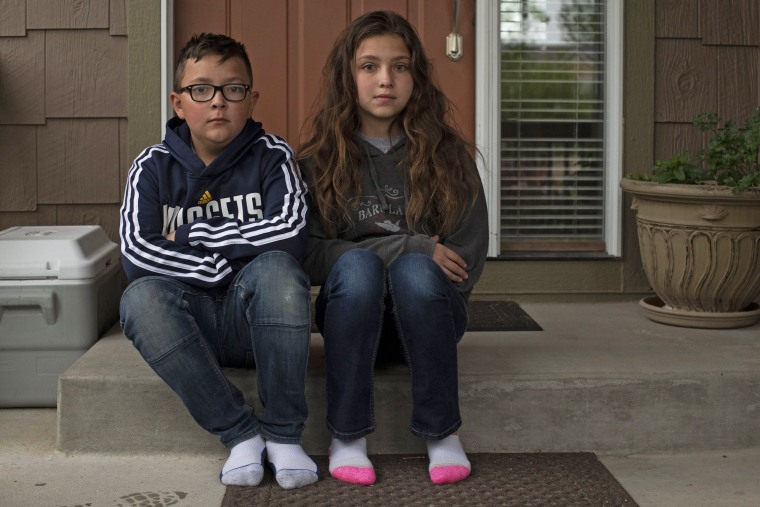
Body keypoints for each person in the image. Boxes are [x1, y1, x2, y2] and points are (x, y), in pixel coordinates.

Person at [118, 33, 318, 490]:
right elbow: (137, 253)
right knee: (140, 298)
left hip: (259, 320)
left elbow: (288, 234)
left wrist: (190, 234)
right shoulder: (150, 168)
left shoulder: (274, 157)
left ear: (251, 99)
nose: (218, 103)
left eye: (233, 89)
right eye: (201, 90)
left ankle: (285, 434)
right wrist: (223, 265)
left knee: (279, 271)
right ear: (178, 102)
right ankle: (240, 433)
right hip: (192, 331)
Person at [298, 11, 489, 486]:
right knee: (362, 267)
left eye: (400, 66)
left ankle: (441, 432)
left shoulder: (449, 157)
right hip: (351, 318)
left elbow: (464, 259)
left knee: (416, 274)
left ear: (416, 77)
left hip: (430, 321)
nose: (386, 79)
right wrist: (412, 244)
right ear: (347, 77)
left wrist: (414, 261)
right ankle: (347, 435)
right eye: (369, 66)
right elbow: (305, 252)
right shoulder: (316, 161)